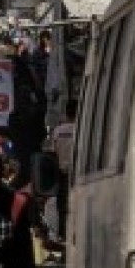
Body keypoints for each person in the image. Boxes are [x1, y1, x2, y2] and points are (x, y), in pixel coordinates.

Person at [47, 102, 76, 239]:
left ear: (66, 113)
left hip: (61, 172)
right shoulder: (82, 128)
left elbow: (52, 152)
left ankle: (63, 234)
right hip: (77, 173)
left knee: (62, 205)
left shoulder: (58, 131)